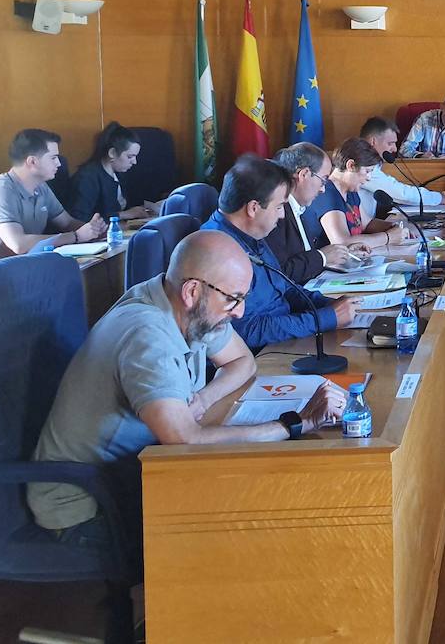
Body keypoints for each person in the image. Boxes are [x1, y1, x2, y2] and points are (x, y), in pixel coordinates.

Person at [27, 230, 346, 544]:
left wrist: (203, 399)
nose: (239, 312)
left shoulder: (189, 305)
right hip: (87, 508)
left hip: (134, 475)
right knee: (255, 524)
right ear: (192, 290)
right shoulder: (147, 334)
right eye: (233, 299)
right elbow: (185, 440)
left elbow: (242, 361)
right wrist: (294, 423)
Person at [201, 154, 358, 349]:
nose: (283, 215)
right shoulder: (219, 253)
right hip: (263, 352)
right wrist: (324, 319)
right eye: (279, 207)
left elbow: (285, 288)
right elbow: (247, 331)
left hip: (286, 335)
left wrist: (327, 305)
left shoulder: (250, 233)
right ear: (253, 208)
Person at [0, 128, 105, 254]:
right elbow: (19, 244)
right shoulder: (0, 190)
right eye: (53, 158)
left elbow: (67, 222)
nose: (59, 164)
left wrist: (93, 229)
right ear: (32, 161)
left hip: (31, 260)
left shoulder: (41, 186)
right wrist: (75, 236)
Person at [270, 142, 364, 283]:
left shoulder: (302, 210)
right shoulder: (276, 213)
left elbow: (304, 256)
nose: (323, 189)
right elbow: (280, 273)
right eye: (323, 180)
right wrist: (323, 257)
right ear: (304, 174)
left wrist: (344, 253)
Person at [307, 138, 410, 248]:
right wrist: (388, 237)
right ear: (351, 165)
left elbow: (366, 224)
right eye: (367, 171)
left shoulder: (350, 189)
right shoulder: (327, 193)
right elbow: (342, 242)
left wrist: (395, 228)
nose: (369, 178)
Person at [68, 122, 160, 223]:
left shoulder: (120, 172)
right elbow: (79, 220)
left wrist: (142, 209)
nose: (134, 162)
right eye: (130, 157)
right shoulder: (87, 178)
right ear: (112, 153)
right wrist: (123, 215)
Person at [361, 116, 445, 209]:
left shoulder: (369, 161)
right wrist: (442, 198)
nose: (394, 149)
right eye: (390, 143)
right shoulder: (363, 165)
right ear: (373, 141)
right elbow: (401, 193)